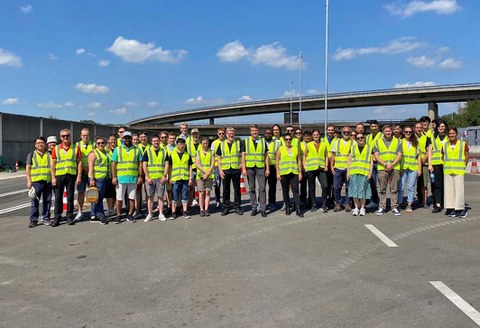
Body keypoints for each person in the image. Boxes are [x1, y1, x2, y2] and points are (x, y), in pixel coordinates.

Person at [50, 129, 82, 227]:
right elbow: (53, 164)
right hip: (59, 175)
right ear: (60, 137)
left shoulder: (75, 148)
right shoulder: (56, 148)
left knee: (70, 197)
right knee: (58, 197)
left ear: (70, 136)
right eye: (63, 136)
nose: (65, 137)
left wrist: (79, 176)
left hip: (71, 175)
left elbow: (79, 162)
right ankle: (57, 217)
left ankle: (69, 216)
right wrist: (53, 177)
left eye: (67, 135)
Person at [111, 131, 143, 224]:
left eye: (129, 138)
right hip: (121, 178)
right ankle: (118, 215)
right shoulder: (118, 149)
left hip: (133, 177)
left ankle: (129, 215)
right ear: (123, 139)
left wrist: (140, 176)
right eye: (126, 138)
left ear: (131, 138)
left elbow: (140, 164)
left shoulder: (137, 150)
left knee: (132, 198)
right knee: (119, 198)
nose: (127, 139)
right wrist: (114, 176)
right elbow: (114, 163)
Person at [374, 125, 403, 216]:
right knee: (382, 189)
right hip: (383, 168)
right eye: (386, 131)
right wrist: (385, 164)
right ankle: (382, 206)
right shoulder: (377, 142)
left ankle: (394, 206)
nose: (388, 133)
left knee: (394, 189)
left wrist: (392, 164)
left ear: (392, 132)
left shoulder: (398, 141)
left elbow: (399, 154)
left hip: (394, 167)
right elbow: (376, 155)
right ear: (383, 132)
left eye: (389, 131)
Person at [241, 124, 269, 218]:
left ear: (258, 130)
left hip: (260, 167)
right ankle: (254, 208)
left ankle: (263, 209)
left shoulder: (263, 140)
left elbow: (266, 156)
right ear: (250, 132)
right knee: (252, 188)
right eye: (253, 130)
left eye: (256, 130)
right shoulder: (246, 141)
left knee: (262, 188)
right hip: (250, 167)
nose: (254, 132)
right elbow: (243, 155)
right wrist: (244, 168)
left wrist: (267, 168)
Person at [442, 127, 469, 218]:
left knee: (459, 190)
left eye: (453, 133)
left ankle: (460, 209)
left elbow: (466, 156)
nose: (451, 135)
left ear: (456, 134)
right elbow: (443, 156)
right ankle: (451, 208)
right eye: (450, 134)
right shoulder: (445, 145)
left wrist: (464, 165)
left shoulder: (462, 144)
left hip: (459, 170)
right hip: (448, 170)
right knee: (449, 190)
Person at [26, 137, 52, 227]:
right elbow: (28, 168)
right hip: (36, 182)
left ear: (45, 144)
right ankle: (33, 220)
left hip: (47, 181)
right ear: (35, 145)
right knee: (34, 202)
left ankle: (46, 218)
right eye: (38, 143)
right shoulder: (31, 154)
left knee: (47, 201)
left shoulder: (50, 154)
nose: (40, 144)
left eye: (42, 142)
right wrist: (29, 181)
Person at [142, 135, 169, 222]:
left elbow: (167, 164)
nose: (156, 142)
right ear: (151, 142)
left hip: (160, 178)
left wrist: (164, 176)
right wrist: (148, 177)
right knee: (150, 197)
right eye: (154, 141)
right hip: (150, 178)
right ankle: (150, 214)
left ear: (159, 141)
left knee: (160, 196)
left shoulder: (164, 151)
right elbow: (144, 165)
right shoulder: (147, 151)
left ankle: (161, 213)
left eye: (157, 141)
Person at [217, 127, 243, 216]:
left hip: (236, 169)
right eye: (229, 133)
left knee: (237, 190)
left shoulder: (238, 143)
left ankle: (237, 207)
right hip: (226, 170)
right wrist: (220, 170)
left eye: (232, 133)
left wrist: (242, 164)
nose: (231, 135)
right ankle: (226, 207)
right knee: (225, 190)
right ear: (226, 134)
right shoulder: (222, 144)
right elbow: (219, 158)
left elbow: (243, 154)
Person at [276, 134, 303, 217]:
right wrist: (278, 172)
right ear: (284, 140)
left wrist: (300, 172)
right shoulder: (281, 149)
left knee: (295, 190)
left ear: (292, 140)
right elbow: (277, 161)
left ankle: (298, 209)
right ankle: (287, 207)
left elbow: (299, 161)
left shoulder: (295, 149)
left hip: (294, 172)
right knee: (285, 190)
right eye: (286, 139)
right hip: (284, 173)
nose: (288, 140)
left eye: (290, 139)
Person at [347, 133, 373, 216]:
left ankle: (362, 208)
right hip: (354, 172)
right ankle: (356, 208)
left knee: (363, 191)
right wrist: (348, 172)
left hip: (364, 172)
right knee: (354, 190)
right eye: (358, 138)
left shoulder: (369, 148)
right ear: (356, 139)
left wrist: (370, 173)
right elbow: (349, 161)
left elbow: (371, 161)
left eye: (361, 137)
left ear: (364, 138)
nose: (360, 139)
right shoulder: (352, 148)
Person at [398, 126, 422, 213]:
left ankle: (409, 204)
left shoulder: (416, 143)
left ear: (412, 133)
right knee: (401, 186)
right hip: (403, 167)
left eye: (410, 132)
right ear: (404, 133)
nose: (408, 133)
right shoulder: (400, 142)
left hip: (413, 167)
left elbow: (419, 157)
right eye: (406, 132)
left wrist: (419, 169)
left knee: (411, 187)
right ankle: (400, 202)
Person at [303, 129, 329, 212]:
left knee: (325, 186)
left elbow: (326, 156)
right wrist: (305, 165)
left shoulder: (324, 144)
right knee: (312, 187)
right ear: (312, 136)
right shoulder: (309, 144)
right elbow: (304, 155)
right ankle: (313, 204)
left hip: (321, 168)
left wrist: (326, 166)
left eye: (317, 134)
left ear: (319, 135)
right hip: (311, 168)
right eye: (314, 135)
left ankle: (324, 204)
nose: (316, 136)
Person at [168, 138, 193, 220]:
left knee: (185, 196)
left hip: (185, 179)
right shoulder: (172, 154)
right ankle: (173, 213)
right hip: (175, 179)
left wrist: (190, 178)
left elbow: (190, 167)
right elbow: (170, 167)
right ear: (177, 144)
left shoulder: (187, 155)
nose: (181, 145)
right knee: (174, 196)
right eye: (179, 144)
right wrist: (170, 177)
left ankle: (185, 212)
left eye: (183, 144)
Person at [88, 136, 110, 225]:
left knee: (97, 197)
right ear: (95, 144)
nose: (101, 144)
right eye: (99, 143)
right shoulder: (93, 153)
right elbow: (91, 167)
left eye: (102, 143)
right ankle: (100, 215)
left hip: (104, 177)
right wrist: (92, 179)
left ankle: (93, 215)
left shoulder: (105, 152)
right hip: (97, 178)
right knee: (98, 197)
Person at [331, 126, 353, 212]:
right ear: (342, 133)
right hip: (338, 168)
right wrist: (332, 166)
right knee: (336, 187)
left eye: (348, 132)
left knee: (349, 187)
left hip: (349, 169)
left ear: (350, 133)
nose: (346, 133)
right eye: (344, 132)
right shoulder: (337, 142)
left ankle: (348, 203)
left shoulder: (353, 143)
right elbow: (333, 155)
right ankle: (338, 203)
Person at [429, 120, 449, 213]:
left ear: (445, 127)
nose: (441, 128)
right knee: (437, 185)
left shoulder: (449, 137)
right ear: (437, 128)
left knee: (446, 184)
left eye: (442, 126)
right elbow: (430, 151)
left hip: (447, 164)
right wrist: (430, 164)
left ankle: (447, 203)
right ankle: (437, 204)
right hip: (436, 163)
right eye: (439, 126)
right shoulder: (432, 137)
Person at [75, 128, 94, 222]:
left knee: (92, 192)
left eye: (87, 135)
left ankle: (93, 212)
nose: (85, 137)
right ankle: (80, 212)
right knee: (81, 192)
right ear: (80, 136)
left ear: (89, 135)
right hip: (81, 172)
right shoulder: (77, 145)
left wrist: (90, 170)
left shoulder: (94, 145)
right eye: (83, 135)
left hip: (91, 172)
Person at [196, 137, 215, 217]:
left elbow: (212, 164)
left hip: (209, 175)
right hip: (200, 176)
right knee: (201, 193)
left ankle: (206, 209)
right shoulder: (198, 152)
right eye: (203, 143)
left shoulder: (211, 152)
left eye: (206, 143)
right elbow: (197, 164)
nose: (205, 145)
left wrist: (207, 174)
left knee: (207, 193)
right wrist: (205, 172)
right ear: (201, 144)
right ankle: (201, 209)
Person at [366, 120, 383, 208]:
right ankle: (375, 200)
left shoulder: (382, 135)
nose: (373, 128)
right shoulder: (368, 137)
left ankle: (382, 201)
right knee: (372, 182)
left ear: (378, 127)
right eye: (372, 126)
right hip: (371, 162)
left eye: (375, 126)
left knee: (381, 182)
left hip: (380, 161)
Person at [415, 122, 432, 209]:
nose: (418, 129)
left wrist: (423, 160)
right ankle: (417, 200)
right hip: (412, 164)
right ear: (414, 128)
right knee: (412, 184)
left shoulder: (426, 138)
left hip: (424, 164)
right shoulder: (411, 137)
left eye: (420, 127)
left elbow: (429, 151)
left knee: (424, 184)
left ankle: (424, 202)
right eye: (417, 127)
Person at [265, 128, 281, 211]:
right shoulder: (261, 142)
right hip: (262, 166)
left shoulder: (277, 143)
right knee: (262, 187)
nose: (268, 135)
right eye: (266, 133)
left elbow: (279, 155)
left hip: (273, 166)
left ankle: (272, 203)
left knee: (272, 186)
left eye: (270, 133)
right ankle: (262, 204)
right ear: (264, 134)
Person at [322, 124, 337, 208]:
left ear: (334, 131)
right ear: (326, 131)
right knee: (326, 184)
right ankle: (327, 199)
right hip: (325, 164)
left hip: (335, 164)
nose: (330, 131)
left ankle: (333, 199)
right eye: (329, 130)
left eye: (332, 130)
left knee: (334, 184)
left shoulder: (338, 140)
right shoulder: (322, 140)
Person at [211, 128, 226, 209]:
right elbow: (213, 156)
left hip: (226, 166)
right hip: (217, 166)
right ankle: (217, 200)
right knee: (217, 184)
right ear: (217, 134)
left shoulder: (227, 142)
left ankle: (225, 200)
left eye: (223, 133)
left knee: (225, 185)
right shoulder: (214, 143)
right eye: (220, 133)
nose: (221, 135)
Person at [187, 128, 201, 209]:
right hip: (191, 169)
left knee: (200, 188)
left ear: (198, 134)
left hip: (200, 169)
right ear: (191, 135)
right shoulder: (188, 145)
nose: (195, 135)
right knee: (190, 188)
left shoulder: (202, 144)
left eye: (196, 134)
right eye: (193, 134)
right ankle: (189, 205)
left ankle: (201, 205)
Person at [104, 133, 117, 217]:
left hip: (117, 173)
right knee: (109, 193)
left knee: (116, 193)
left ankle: (114, 208)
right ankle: (110, 209)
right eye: (111, 140)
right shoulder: (105, 149)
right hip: (108, 174)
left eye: (114, 140)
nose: (113, 141)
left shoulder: (119, 149)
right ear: (108, 140)